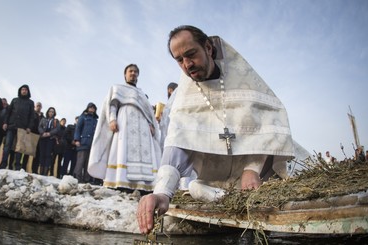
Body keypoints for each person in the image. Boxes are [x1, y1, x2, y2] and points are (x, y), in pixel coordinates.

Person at [137, 25, 295, 234]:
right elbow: (176, 147)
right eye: (179, 60)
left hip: (256, 176)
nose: (187, 64)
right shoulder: (185, 98)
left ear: (208, 48)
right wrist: (161, 193)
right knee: (194, 187)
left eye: (191, 54)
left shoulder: (242, 80)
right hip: (216, 182)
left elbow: (266, 125)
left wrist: (252, 169)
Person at [88, 64, 161, 192]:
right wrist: (112, 119)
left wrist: (150, 124)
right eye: (130, 71)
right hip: (124, 123)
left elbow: (148, 112)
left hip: (143, 128)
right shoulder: (118, 88)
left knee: (144, 154)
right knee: (123, 150)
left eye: (135, 72)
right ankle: (121, 182)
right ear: (125, 74)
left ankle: (144, 185)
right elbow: (113, 105)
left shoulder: (142, 94)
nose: (133, 73)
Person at [0, 85, 35, 171]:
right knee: (7, 145)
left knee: (19, 148)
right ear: (20, 91)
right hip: (11, 126)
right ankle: (3, 164)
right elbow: (8, 112)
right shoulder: (15, 100)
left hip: (22, 128)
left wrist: (29, 127)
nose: (24, 91)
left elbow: (31, 116)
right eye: (22, 89)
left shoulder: (30, 102)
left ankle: (17, 166)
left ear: (28, 91)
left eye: (26, 90)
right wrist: (5, 123)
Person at [73, 103, 98, 184]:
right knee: (80, 161)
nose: (92, 109)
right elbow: (78, 129)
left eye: (93, 108)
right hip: (83, 142)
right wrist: (77, 140)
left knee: (88, 162)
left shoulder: (96, 120)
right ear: (87, 108)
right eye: (90, 107)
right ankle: (78, 178)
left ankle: (86, 179)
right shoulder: (83, 117)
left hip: (92, 144)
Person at [38, 107, 60, 176]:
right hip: (43, 138)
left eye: (52, 112)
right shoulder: (43, 119)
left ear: (54, 113)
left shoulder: (56, 121)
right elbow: (39, 127)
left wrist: (49, 133)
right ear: (48, 112)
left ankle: (45, 172)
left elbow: (57, 129)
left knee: (48, 155)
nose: (51, 113)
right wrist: (43, 133)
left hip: (50, 139)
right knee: (42, 154)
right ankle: (41, 172)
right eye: (50, 111)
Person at [30, 102, 44, 174]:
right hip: (31, 133)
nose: (38, 107)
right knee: (27, 151)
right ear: (35, 107)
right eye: (37, 106)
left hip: (39, 136)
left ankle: (34, 170)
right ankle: (23, 167)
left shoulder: (43, 117)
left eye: (40, 106)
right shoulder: (32, 113)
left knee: (37, 154)